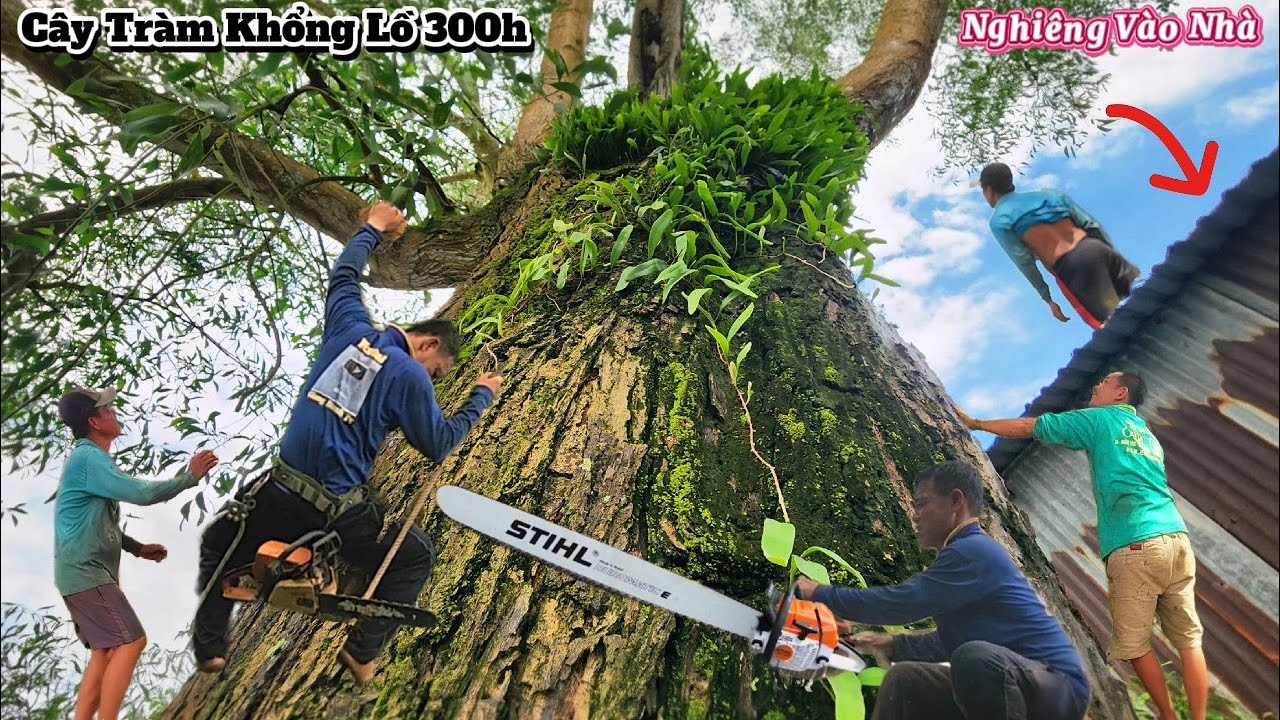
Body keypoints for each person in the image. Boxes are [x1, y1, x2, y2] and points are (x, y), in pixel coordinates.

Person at [192, 202, 502, 685]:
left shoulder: (348, 327)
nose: (433, 381)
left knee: (217, 542)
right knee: (414, 556)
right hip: (333, 511)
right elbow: (439, 444)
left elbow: (344, 278)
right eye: (437, 371)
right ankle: (360, 648)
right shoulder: (409, 376)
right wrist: (481, 396)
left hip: (275, 491)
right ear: (426, 345)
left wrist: (373, 230)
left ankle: (212, 645)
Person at [956, 370, 1207, 720]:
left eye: (1104, 383)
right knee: (1189, 640)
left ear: (1120, 394)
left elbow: (1033, 427)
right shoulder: (1147, 436)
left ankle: (1167, 716)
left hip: (1135, 542)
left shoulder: (1101, 419)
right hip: (1176, 541)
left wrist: (976, 423)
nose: (1096, 386)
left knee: (1134, 647)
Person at [794, 461, 1089, 720]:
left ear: (955, 501)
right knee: (905, 679)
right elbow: (952, 641)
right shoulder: (963, 557)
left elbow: (903, 603)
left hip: (1058, 688)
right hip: (1015, 681)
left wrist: (819, 594)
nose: (915, 515)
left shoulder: (972, 551)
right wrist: (885, 645)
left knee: (974, 659)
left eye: (922, 503)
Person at [54, 386, 218, 720]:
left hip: (77, 573)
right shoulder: (89, 458)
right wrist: (189, 478)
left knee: (106, 651)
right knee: (131, 642)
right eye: (108, 410)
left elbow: (93, 521)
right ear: (95, 422)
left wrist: (137, 548)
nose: (114, 414)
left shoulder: (89, 460)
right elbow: (140, 493)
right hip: (86, 573)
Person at [979, 162, 1140, 329]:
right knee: (1148, 297)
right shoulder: (1048, 195)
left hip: (1072, 268)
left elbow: (1025, 263)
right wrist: (1111, 254)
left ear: (989, 190)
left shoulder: (999, 220)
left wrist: (1048, 299)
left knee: (1116, 327)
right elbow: (1092, 226)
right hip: (1097, 248)